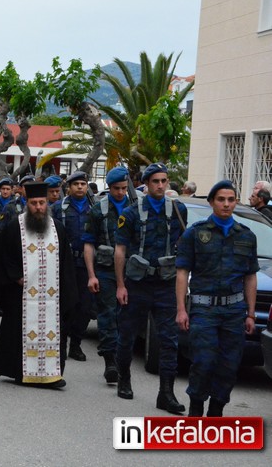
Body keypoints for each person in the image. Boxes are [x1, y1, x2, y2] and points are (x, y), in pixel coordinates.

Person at [176, 180, 258, 417]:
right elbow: (182, 273)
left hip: (234, 312)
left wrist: (250, 313)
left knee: (229, 366)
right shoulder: (195, 233)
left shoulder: (246, 236)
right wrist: (181, 309)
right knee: (203, 362)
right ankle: (196, 409)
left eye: (231, 199)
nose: (226, 204)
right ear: (212, 202)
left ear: (236, 202)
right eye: (221, 199)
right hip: (204, 311)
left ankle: (216, 412)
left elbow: (250, 277)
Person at [114, 162, 187, 414]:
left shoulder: (179, 210)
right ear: (146, 184)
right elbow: (120, 250)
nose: (160, 185)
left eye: (164, 181)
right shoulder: (131, 213)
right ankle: (124, 378)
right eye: (155, 181)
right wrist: (121, 285)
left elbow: (182, 246)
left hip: (165, 284)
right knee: (126, 336)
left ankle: (166, 393)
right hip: (137, 284)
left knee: (169, 341)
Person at [0, 182, 77, 388]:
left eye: (42, 203)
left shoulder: (58, 229)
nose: (38, 207)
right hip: (21, 294)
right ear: (26, 203)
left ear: (47, 203)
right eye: (34, 203)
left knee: (55, 331)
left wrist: (68, 292)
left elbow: (66, 263)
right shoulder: (14, 226)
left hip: (52, 297)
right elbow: (3, 255)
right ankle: (21, 371)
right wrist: (15, 276)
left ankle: (52, 374)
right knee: (19, 331)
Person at [82, 166, 131, 384]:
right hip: (106, 270)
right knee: (108, 315)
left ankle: (122, 360)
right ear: (109, 188)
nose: (120, 192)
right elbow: (89, 244)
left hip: (133, 271)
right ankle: (110, 362)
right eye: (116, 188)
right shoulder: (98, 210)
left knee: (126, 318)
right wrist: (91, 275)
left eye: (123, 188)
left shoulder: (137, 208)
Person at [51, 170, 93, 362]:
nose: (80, 187)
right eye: (76, 184)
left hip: (88, 264)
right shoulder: (59, 208)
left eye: (83, 184)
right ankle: (62, 345)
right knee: (66, 305)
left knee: (84, 307)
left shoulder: (95, 208)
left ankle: (76, 343)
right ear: (69, 187)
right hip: (66, 263)